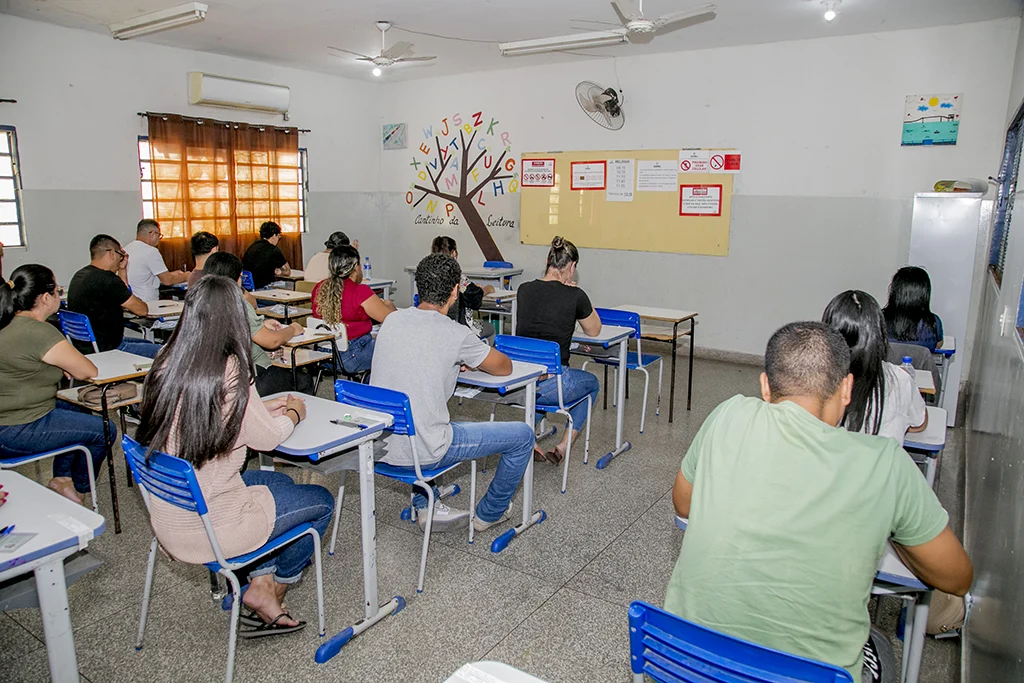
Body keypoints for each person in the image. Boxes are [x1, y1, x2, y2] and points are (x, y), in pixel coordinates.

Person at [664, 321, 973, 680]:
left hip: (683, 665)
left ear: (765, 386)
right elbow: (956, 578)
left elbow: (683, 504)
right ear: (846, 389)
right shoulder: (885, 463)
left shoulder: (727, 414)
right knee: (880, 646)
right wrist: (894, 532)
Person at [137, 275, 331, 636]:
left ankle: (259, 578)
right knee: (320, 501)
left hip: (170, 520)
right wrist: (293, 414)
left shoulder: (166, 362)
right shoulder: (229, 370)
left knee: (275, 481)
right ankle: (270, 589)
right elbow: (269, 440)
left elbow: (215, 416)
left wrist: (258, 405)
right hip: (212, 528)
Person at [371, 253, 534, 532]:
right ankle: (489, 514)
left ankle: (425, 503)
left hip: (379, 445)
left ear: (418, 288)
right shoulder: (455, 333)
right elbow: (503, 367)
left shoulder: (392, 321)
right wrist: (465, 357)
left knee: (422, 411)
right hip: (423, 450)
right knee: (522, 436)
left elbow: (413, 364)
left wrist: (451, 363)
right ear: (455, 291)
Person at [0, 264, 112, 505]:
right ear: (45, 298)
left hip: (9, 419)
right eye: (57, 290)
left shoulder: (7, 322)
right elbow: (86, 370)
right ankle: (78, 487)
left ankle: (62, 477)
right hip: (17, 428)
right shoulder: (40, 332)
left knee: (81, 409)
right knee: (105, 429)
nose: (60, 296)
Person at [515, 236, 602, 464]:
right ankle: (563, 446)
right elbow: (594, 330)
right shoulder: (575, 295)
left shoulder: (523, 290)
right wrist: (579, 296)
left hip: (522, 381)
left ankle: (530, 440)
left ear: (547, 260)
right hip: (555, 384)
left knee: (539, 392)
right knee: (591, 385)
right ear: (571, 266)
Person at [822, 290, 927, 445]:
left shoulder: (814, 380)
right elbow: (920, 423)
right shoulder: (900, 379)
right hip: (883, 468)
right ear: (880, 335)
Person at [204, 252, 313, 396]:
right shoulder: (236, 304)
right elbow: (272, 341)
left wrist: (262, 324)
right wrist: (292, 329)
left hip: (213, 376)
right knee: (304, 380)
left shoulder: (202, 303)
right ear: (236, 278)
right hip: (249, 378)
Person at [67, 234, 162, 358]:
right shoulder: (107, 280)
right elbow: (142, 310)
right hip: (110, 349)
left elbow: (122, 293)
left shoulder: (80, 275)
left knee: (148, 344)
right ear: (112, 253)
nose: (121, 259)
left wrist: (122, 270)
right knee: (167, 353)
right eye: (120, 255)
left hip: (87, 347)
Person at [310, 245, 395, 374]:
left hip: (323, 354)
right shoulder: (359, 291)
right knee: (395, 344)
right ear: (356, 267)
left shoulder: (319, 288)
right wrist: (389, 304)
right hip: (351, 356)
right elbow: (391, 319)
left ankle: (367, 381)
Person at [431, 236, 495, 341]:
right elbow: (475, 296)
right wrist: (488, 288)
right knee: (491, 329)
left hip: (436, 325)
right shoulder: (456, 276)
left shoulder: (430, 274)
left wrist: (472, 286)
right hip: (460, 326)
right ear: (454, 254)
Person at [124, 219, 188, 302]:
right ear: (152, 234)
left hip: (130, 303)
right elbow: (167, 280)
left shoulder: (126, 249)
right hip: (147, 303)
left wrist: (172, 274)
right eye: (159, 236)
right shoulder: (150, 251)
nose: (159, 239)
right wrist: (187, 276)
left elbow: (144, 276)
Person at [883, 266, 944, 351]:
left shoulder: (879, 319)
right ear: (924, 293)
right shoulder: (933, 322)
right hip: (920, 364)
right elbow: (938, 345)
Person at [242, 221, 291, 289]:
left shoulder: (252, 247)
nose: (278, 240)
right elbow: (287, 271)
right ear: (274, 235)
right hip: (263, 289)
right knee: (287, 288)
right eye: (278, 236)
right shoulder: (273, 250)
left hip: (248, 289)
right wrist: (280, 272)